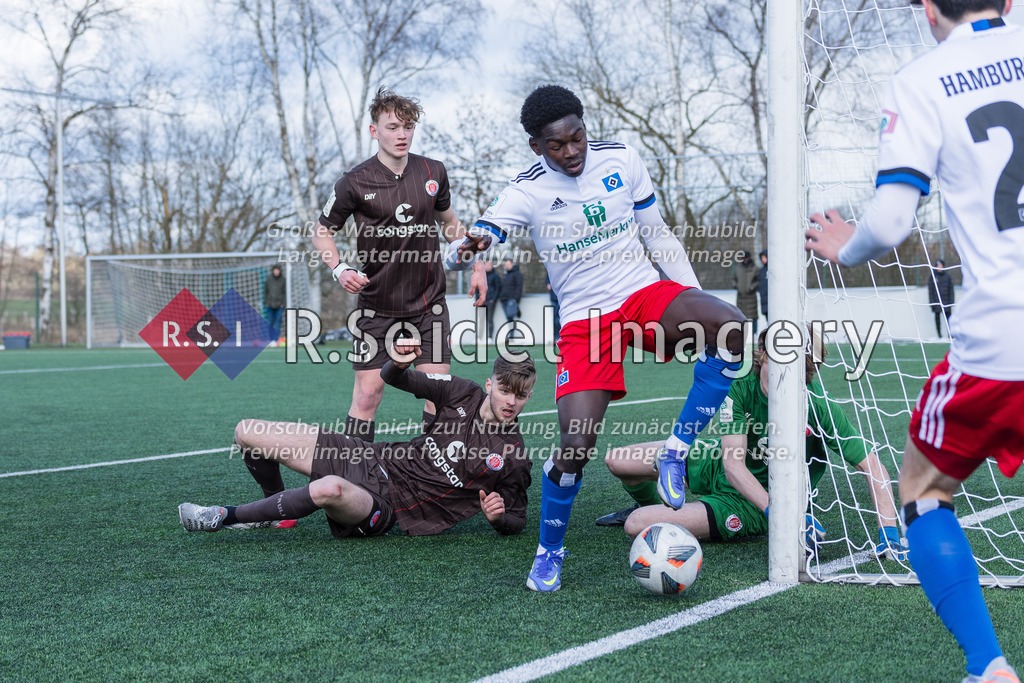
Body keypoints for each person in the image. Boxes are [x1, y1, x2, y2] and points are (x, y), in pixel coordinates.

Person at [451, 85, 745, 592]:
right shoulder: (525, 190)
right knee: (576, 446)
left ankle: (676, 449)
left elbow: (657, 235)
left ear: (586, 128)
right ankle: (549, 551)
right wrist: (471, 245)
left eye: (577, 137)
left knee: (731, 326)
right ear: (536, 147)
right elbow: (487, 229)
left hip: (642, 295)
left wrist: (693, 302)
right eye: (556, 145)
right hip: (586, 322)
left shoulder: (623, 159)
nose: (571, 151)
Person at [804, 2, 1022, 680]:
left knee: (924, 488)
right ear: (1010, 3)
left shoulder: (924, 79)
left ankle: (989, 665)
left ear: (928, 8)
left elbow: (895, 218)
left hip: (1002, 335)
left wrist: (846, 248)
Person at [597, 328, 908, 563]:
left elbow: (873, 466)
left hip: (752, 504)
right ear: (762, 352)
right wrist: (782, 514)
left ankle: (656, 512)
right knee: (618, 460)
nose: (785, 372)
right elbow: (732, 464)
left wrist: (889, 532)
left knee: (637, 526)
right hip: (720, 463)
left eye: (796, 365)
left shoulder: (816, 405)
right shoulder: (740, 388)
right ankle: (649, 502)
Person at [178, 341, 536, 539]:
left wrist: (499, 520)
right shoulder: (463, 392)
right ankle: (275, 509)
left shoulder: (513, 456)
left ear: (529, 397)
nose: (510, 402)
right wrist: (396, 363)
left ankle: (223, 517)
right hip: (371, 457)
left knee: (329, 490)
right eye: (505, 390)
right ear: (491, 385)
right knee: (247, 432)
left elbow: (517, 518)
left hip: (390, 506)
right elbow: (398, 379)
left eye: (519, 396)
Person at [311, 87, 487, 441]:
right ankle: (354, 479)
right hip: (376, 308)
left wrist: (478, 263)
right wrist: (340, 268)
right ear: (374, 131)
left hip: (428, 304)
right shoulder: (353, 181)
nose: (401, 134)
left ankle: (435, 476)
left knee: (437, 394)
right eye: (392, 127)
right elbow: (321, 232)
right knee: (367, 395)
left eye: (407, 126)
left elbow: (451, 224)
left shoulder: (433, 171)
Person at [927, 258, 955, 337]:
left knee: (949, 319)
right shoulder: (932, 276)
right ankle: (939, 335)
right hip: (936, 302)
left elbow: (951, 289)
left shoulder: (947, 276)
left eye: (941, 266)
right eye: (938, 266)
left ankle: (950, 335)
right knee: (937, 319)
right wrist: (932, 302)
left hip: (946, 302)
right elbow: (930, 290)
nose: (939, 267)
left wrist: (951, 301)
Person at [733, 250, 759, 334]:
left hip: (751, 297)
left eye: (746, 258)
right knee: (740, 316)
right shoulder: (738, 268)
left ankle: (754, 333)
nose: (745, 260)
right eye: (743, 258)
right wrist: (737, 286)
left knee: (753, 316)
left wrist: (752, 287)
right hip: (741, 297)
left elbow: (758, 281)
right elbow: (734, 279)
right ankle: (741, 333)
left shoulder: (754, 268)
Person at [263, 264, 286, 340]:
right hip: (270, 304)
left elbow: (285, 292)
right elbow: (265, 291)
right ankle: (270, 339)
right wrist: (266, 302)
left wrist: (283, 303)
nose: (276, 271)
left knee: (278, 322)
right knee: (270, 322)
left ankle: (276, 339)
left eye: (277, 270)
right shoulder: (269, 279)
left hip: (279, 305)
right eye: (275, 270)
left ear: (280, 271)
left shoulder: (283, 280)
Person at [499, 257, 523, 321]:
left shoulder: (517, 274)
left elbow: (519, 287)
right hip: (504, 299)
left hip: (511, 300)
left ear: (512, 265)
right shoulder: (506, 275)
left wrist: (515, 299)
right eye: (505, 265)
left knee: (510, 318)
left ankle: (512, 331)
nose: (506, 266)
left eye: (508, 265)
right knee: (509, 318)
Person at [483, 259, 501, 341]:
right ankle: (480, 338)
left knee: (490, 319)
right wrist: (478, 299)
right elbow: (477, 289)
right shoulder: (481, 276)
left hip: (490, 301)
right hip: (482, 301)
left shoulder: (495, 276)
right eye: (486, 265)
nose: (487, 267)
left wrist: (493, 299)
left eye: (489, 265)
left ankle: (490, 337)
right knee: (480, 319)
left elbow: (498, 288)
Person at [546, 273, 561, 342]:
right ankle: (556, 337)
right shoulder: (551, 271)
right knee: (555, 319)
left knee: (559, 319)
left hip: (561, 299)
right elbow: (549, 285)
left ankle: (560, 336)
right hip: (554, 298)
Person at [757, 249, 768, 326]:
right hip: (764, 301)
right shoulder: (761, 271)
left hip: (772, 301)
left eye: (764, 257)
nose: (763, 260)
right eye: (762, 258)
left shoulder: (773, 269)